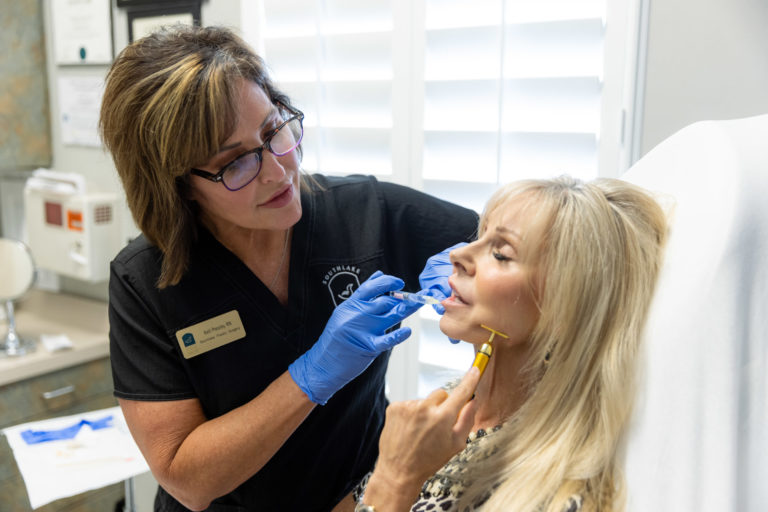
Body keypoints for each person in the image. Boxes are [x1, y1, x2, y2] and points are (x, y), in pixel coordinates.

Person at [98, 24, 478, 511]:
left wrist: (476, 269)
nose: (280, 171)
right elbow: (187, 479)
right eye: (235, 163)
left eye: (275, 130)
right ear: (178, 185)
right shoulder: (145, 281)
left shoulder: (365, 212)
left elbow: (524, 247)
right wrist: (311, 375)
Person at [352, 176, 668, 512]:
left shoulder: (553, 493)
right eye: (480, 235)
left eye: (501, 254)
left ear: (562, 308)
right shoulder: (448, 411)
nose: (458, 254)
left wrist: (395, 478)